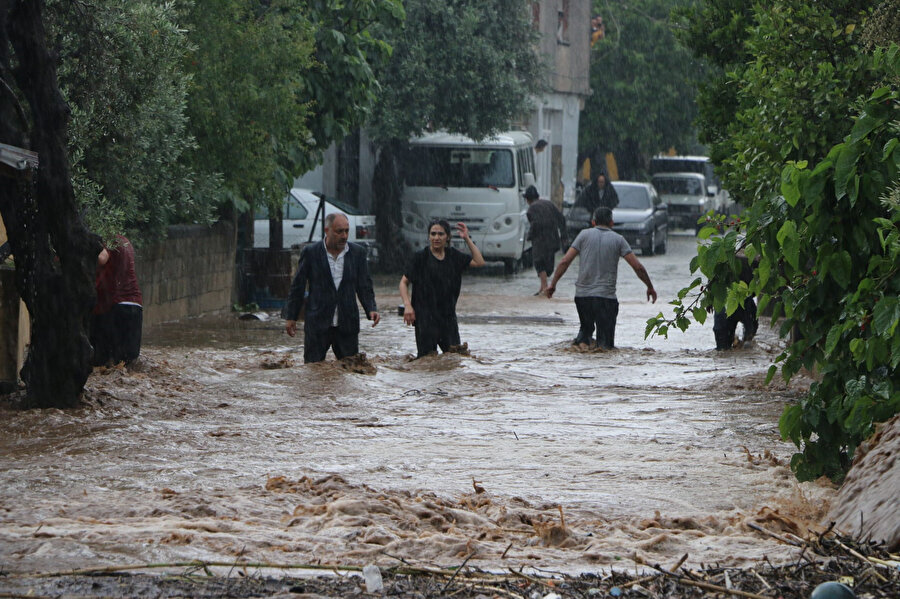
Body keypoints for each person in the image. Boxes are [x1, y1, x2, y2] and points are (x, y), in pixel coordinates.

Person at [546, 207, 657, 349]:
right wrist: (650, 287)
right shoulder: (619, 240)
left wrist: (553, 285)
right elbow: (638, 267)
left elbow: (564, 261)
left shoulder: (583, 235)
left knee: (585, 332)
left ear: (593, 222)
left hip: (583, 297)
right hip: (606, 299)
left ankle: (582, 347)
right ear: (611, 223)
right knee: (605, 346)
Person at [284, 213, 380, 363]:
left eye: (347, 231)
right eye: (339, 231)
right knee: (313, 371)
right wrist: (291, 317)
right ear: (327, 230)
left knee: (351, 371)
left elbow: (364, 285)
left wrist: (371, 308)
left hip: (347, 324)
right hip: (318, 324)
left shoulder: (358, 253)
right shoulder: (311, 253)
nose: (344, 236)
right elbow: (298, 286)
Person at [398, 219, 485, 358]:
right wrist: (408, 306)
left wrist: (467, 239)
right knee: (427, 361)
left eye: (440, 234)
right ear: (429, 236)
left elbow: (479, 261)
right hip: (425, 319)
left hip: (448, 318)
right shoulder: (420, 258)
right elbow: (403, 283)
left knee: (455, 359)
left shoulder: (454, 256)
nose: (436, 238)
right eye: (433, 234)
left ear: (447, 237)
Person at [91, 235, 143, 366]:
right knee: (128, 363)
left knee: (105, 362)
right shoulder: (126, 242)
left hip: (115, 307)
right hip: (135, 305)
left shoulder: (110, 241)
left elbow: (101, 259)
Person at [524, 185, 567, 296]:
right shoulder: (549, 204)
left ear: (527, 199)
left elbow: (536, 224)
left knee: (539, 263)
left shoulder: (531, 209)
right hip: (553, 240)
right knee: (548, 265)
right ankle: (543, 287)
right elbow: (562, 219)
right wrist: (563, 237)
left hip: (540, 240)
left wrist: (530, 236)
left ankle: (544, 288)